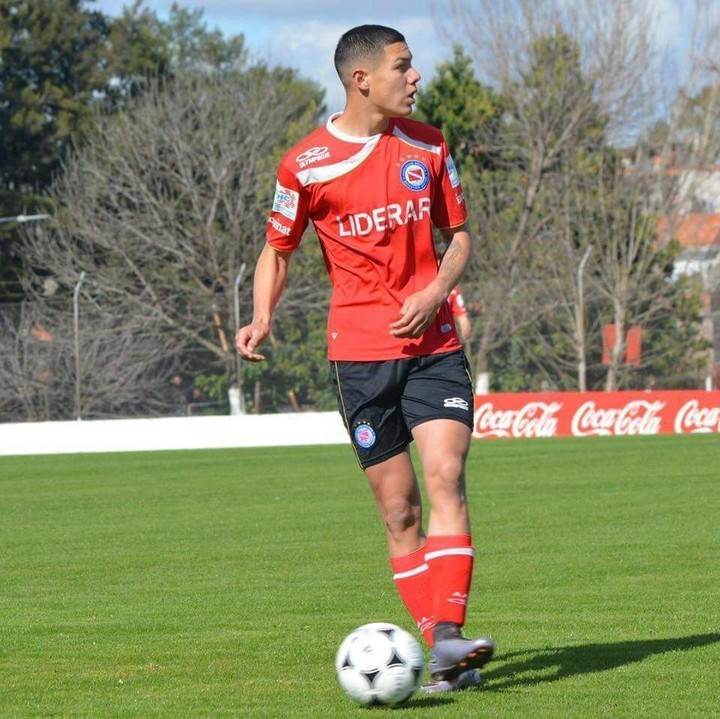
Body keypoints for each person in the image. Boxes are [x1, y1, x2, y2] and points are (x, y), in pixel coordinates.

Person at [235, 24, 494, 692]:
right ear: (361, 80)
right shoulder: (305, 164)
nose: (416, 78)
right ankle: (440, 642)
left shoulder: (430, 146)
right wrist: (263, 315)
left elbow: (459, 237)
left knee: (445, 473)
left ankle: (448, 636)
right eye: (402, 67)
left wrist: (436, 288)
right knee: (400, 510)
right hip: (359, 356)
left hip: (434, 345)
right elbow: (278, 247)